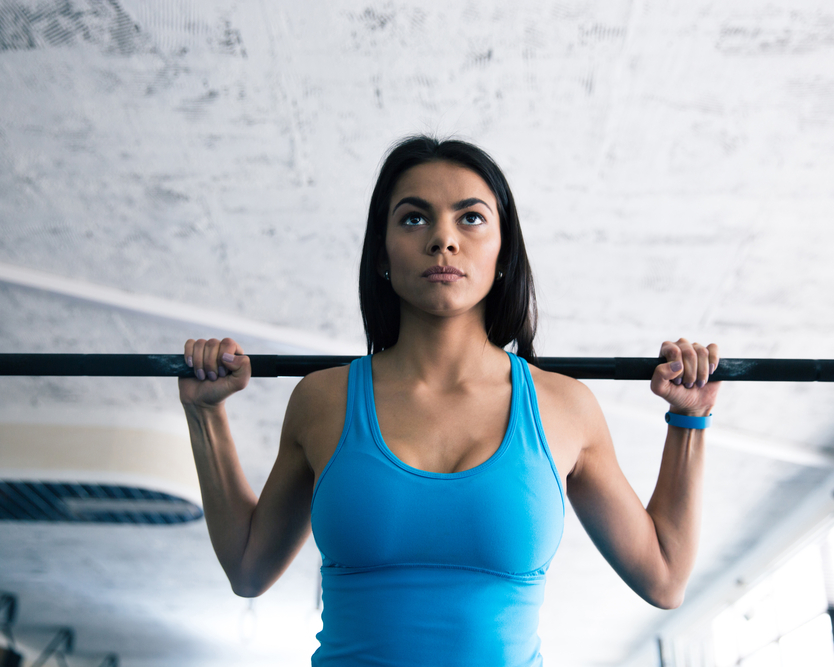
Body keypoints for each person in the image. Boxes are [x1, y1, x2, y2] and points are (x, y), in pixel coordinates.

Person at [178, 136, 720, 666]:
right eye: (414, 218)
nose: (443, 239)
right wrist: (205, 415)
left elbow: (665, 578)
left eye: (471, 218)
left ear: (504, 251)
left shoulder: (563, 407)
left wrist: (689, 420)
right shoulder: (324, 399)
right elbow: (249, 569)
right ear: (383, 255)